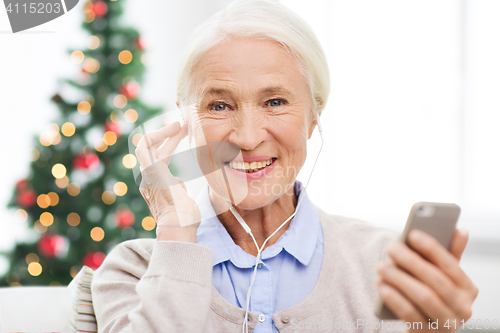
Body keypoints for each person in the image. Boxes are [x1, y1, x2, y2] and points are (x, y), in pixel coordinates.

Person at [91, 0, 478, 332]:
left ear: (314, 115)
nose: (246, 137)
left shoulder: (380, 264)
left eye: (274, 101)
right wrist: (176, 229)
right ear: (186, 122)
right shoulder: (135, 272)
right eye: (219, 105)